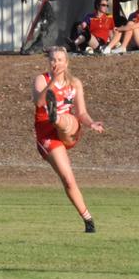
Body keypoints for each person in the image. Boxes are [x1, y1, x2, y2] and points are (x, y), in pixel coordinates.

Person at [33, 46, 105, 232]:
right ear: (48, 62)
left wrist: (92, 124)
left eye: (59, 60)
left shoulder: (75, 83)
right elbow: (39, 102)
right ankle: (88, 220)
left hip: (70, 130)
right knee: (68, 179)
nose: (56, 63)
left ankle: (56, 117)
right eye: (52, 60)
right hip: (47, 134)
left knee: (67, 120)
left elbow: (81, 112)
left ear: (66, 62)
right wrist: (53, 83)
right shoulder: (42, 79)